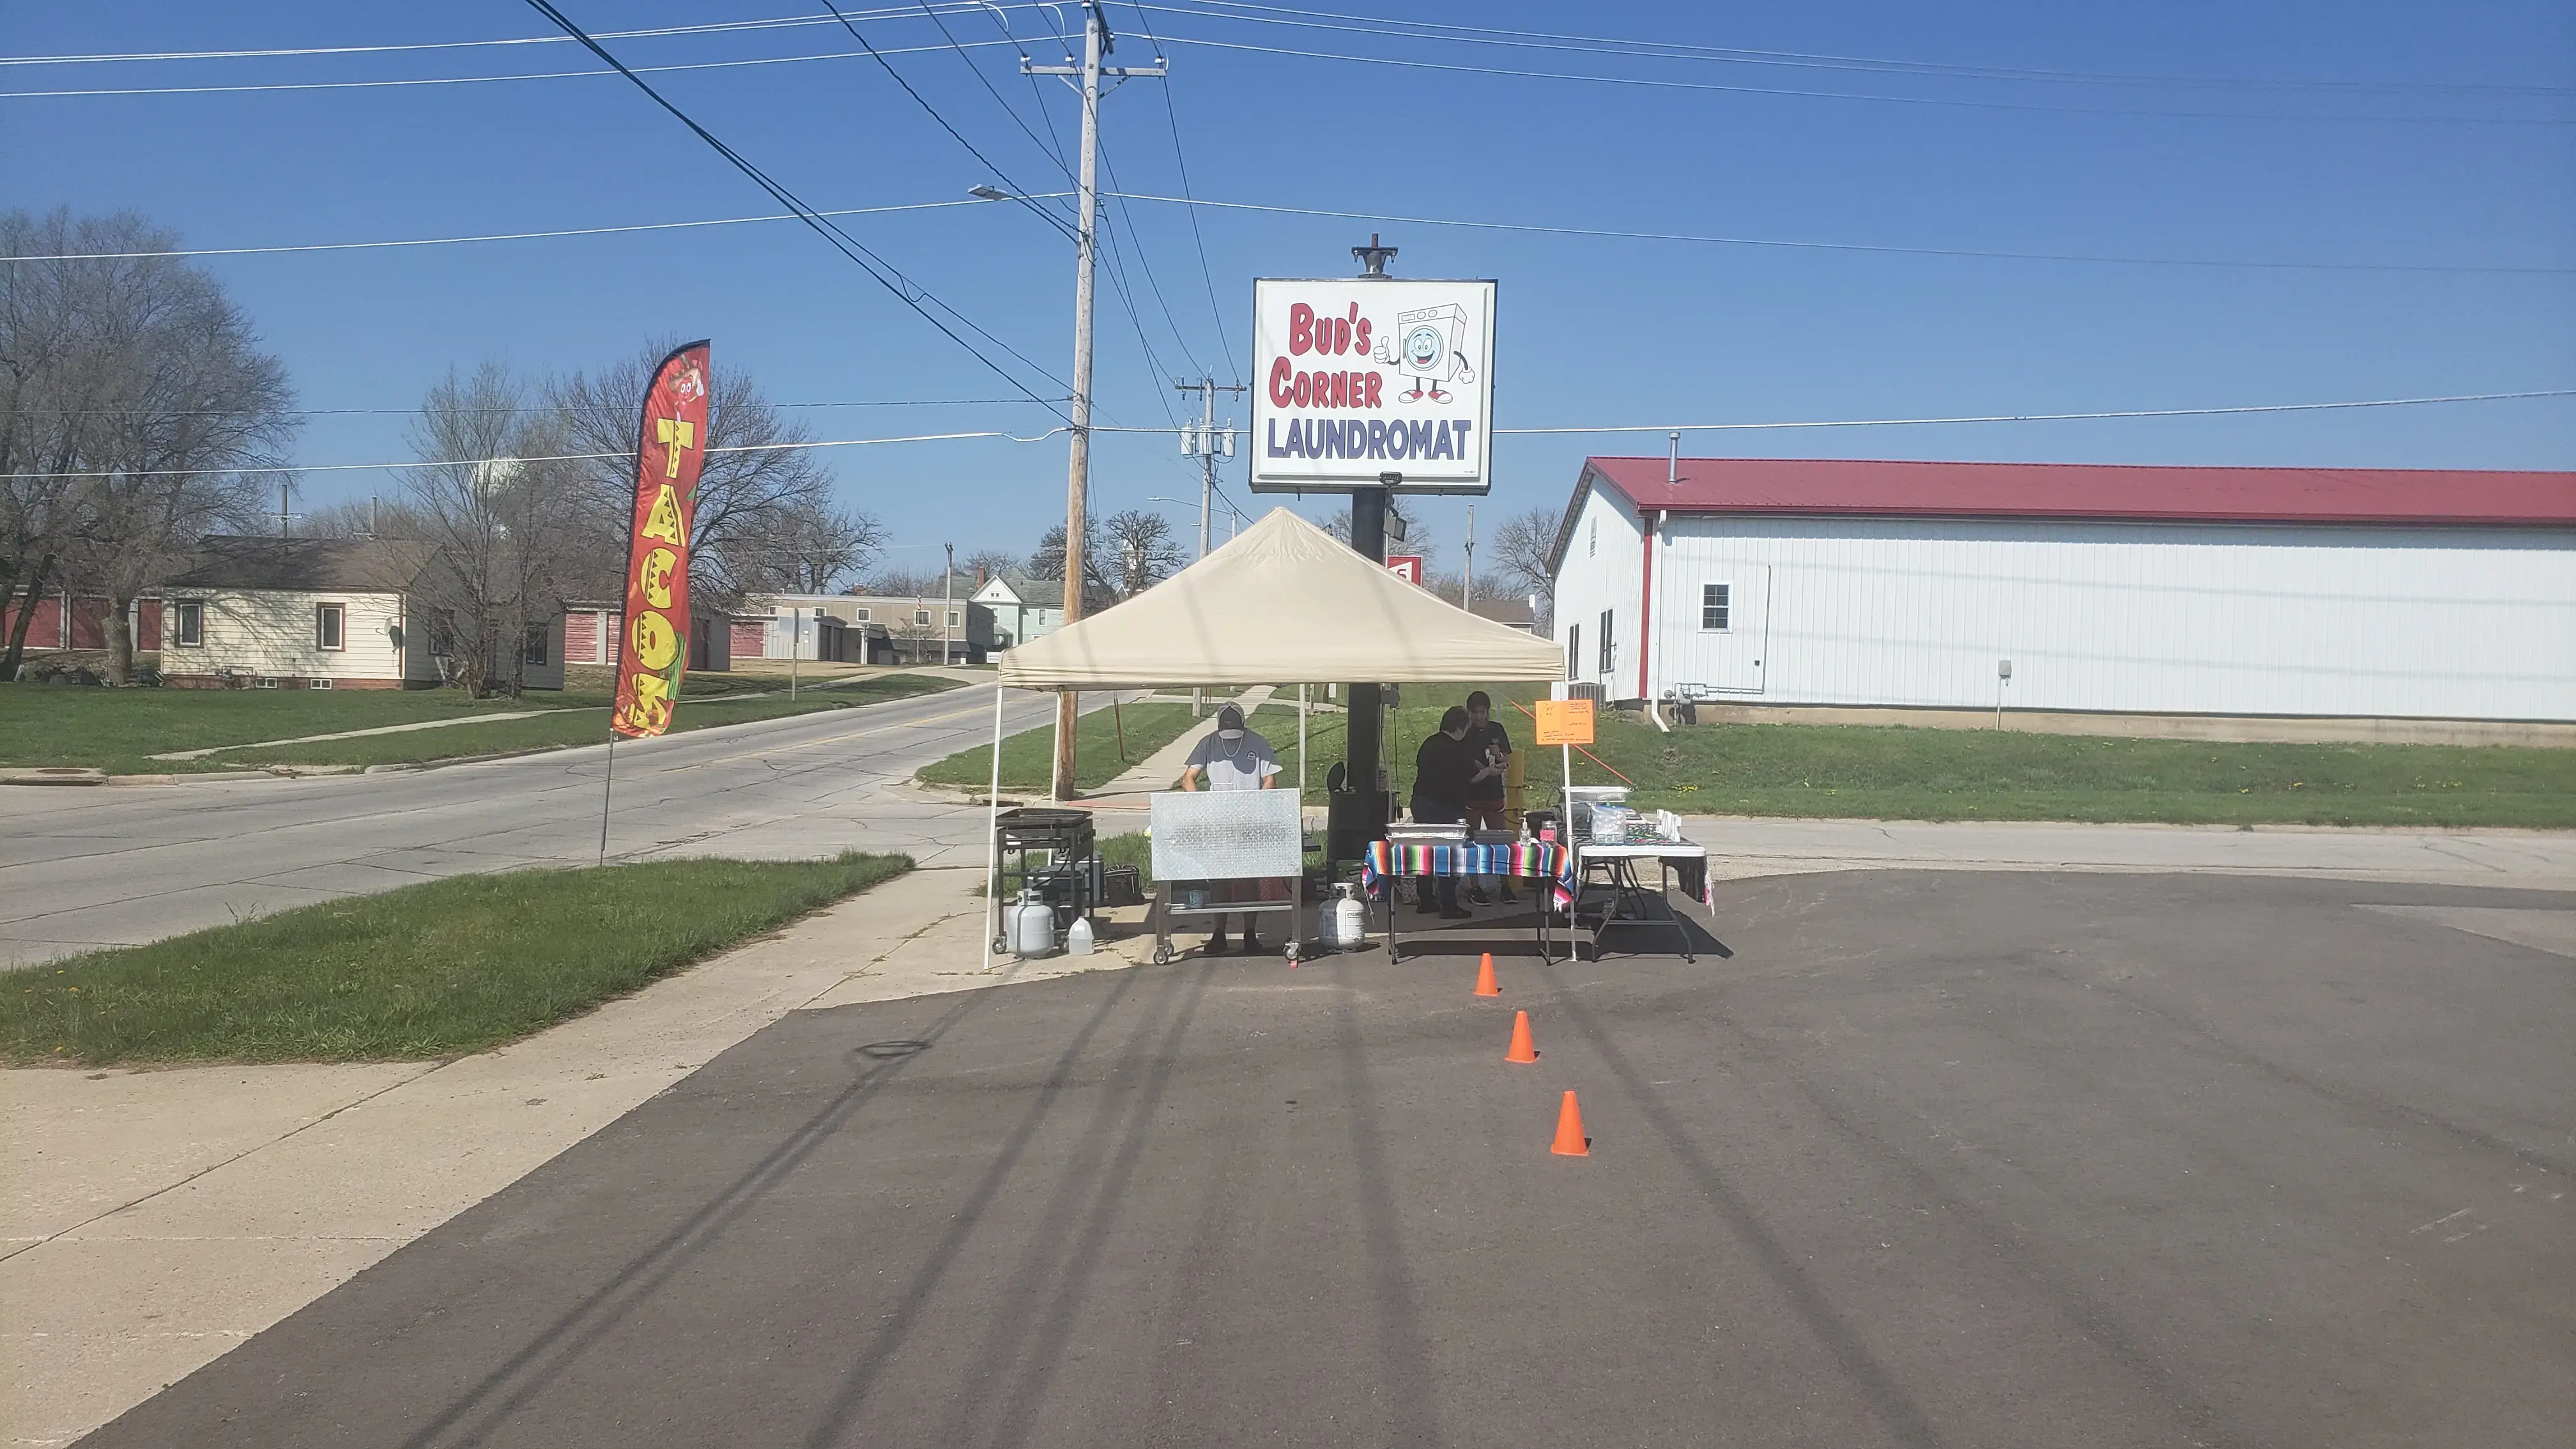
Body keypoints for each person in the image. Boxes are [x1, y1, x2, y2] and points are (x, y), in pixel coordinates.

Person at [1179, 703, 1281, 954]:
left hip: (1249, 822)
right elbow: (1188, 778)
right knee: (1220, 880)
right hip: (1219, 822)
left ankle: (1249, 933)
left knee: (1248, 879)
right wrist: (1203, 805)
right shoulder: (1208, 744)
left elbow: (1270, 779)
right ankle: (1219, 933)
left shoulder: (1258, 743)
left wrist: (1256, 803)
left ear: (1244, 726)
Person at [1409, 706, 1478, 920]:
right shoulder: (1457, 749)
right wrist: (1489, 771)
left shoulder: (1430, 743)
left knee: (1425, 851)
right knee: (1447, 855)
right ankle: (1448, 905)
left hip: (1421, 802)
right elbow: (1471, 777)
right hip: (1446, 806)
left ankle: (1426, 899)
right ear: (1460, 728)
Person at [1460, 690, 1516, 905]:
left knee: (1499, 839)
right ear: (1469, 713)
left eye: (1482, 713)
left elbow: (1506, 760)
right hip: (1472, 792)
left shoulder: (1497, 729)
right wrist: (1478, 768)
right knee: (1471, 840)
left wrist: (1498, 754)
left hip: (1493, 792)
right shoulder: (1465, 732)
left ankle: (1505, 885)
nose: (1479, 717)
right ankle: (1475, 886)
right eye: (1475, 713)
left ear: (1488, 712)